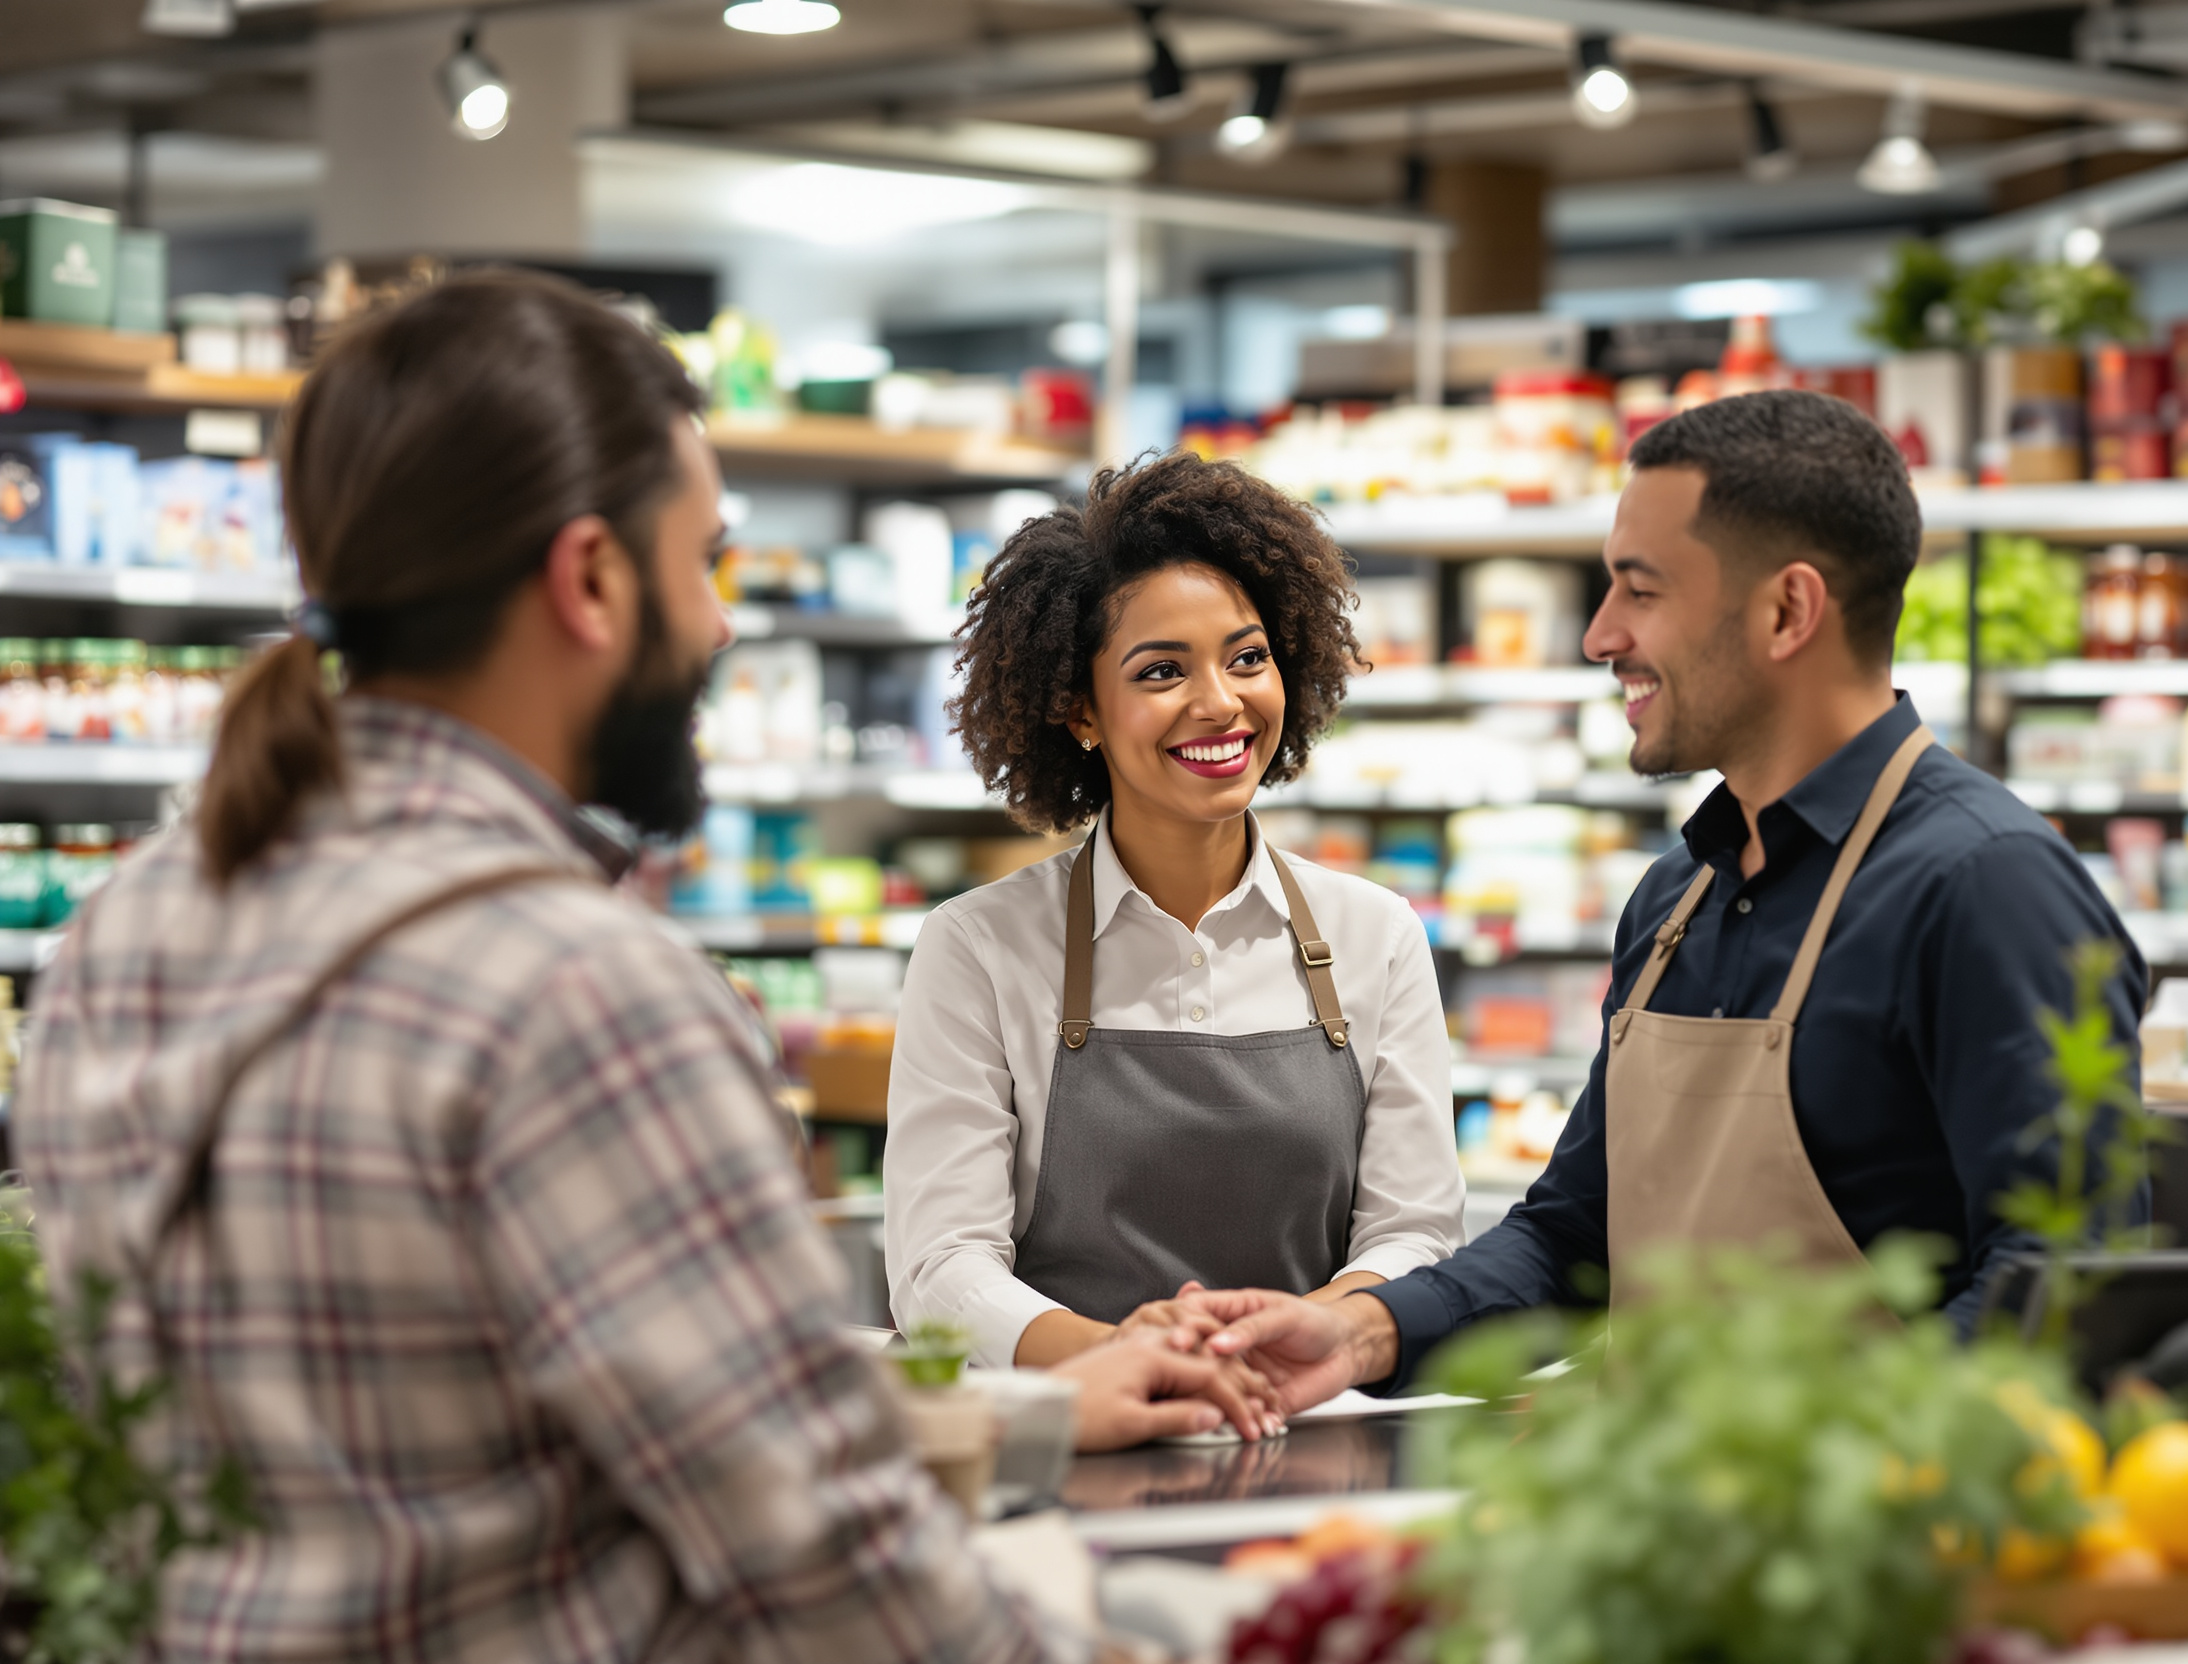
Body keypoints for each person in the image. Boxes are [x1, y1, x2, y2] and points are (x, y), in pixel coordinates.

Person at [14, 272, 1271, 1663]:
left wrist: (1030, 1411)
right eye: (704, 563)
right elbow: (828, 1561)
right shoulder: (583, 993)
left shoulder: (126, 934)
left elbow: (524, 1439)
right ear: (594, 580)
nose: (723, 624)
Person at [1171, 389, 2146, 1404]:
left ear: (1788, 610)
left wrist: (1832, 1465)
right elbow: (1572, 1237)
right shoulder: (1678, 899)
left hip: (1880, 1541)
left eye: (1639, 591)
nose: (1600, 635)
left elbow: (2064, 1282)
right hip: (1669, 1528)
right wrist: (1358, 1330)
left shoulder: (1986, 885)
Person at [883, 450, 1464, 1372]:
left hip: (1315, 1425)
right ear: (1080, 710)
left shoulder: (1375, 934)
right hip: (1074, 1433)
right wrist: (1124, 1359)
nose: (1220, 703)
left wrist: (1300, 1339)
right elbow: (940, 1267)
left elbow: (1415, 1233)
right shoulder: (980, 948)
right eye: (1161, 671)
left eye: (1248, 658)